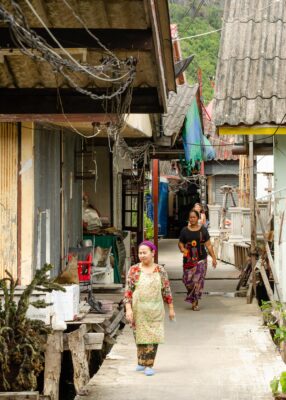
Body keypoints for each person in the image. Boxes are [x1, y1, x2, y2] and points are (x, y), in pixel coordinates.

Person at [124, 241, 175, 376]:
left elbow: (166, 290)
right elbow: (128, 291)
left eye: (144, 252)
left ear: (153, 253)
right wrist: (128, 309)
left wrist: (171, 308)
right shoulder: (134, 270)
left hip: (155, 310)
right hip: (138, 309)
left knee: (152, 337)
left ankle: (149, 364)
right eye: (140, 253)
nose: (141, 255)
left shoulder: (160, 270)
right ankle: (141, 361)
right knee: (139, 336)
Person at [178, 210, 217, 311]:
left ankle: (195, 302)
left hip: (201, 260)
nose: (192, 219)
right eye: (190, 217)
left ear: (198, 218)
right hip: (188, 260)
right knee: (187, 281)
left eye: (194, 217)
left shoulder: (203, 230)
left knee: (198, 282)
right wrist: (182, 249)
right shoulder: (184, 230)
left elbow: (208, 245)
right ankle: (191, 293)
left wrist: (213, 258)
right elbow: (180, 243)